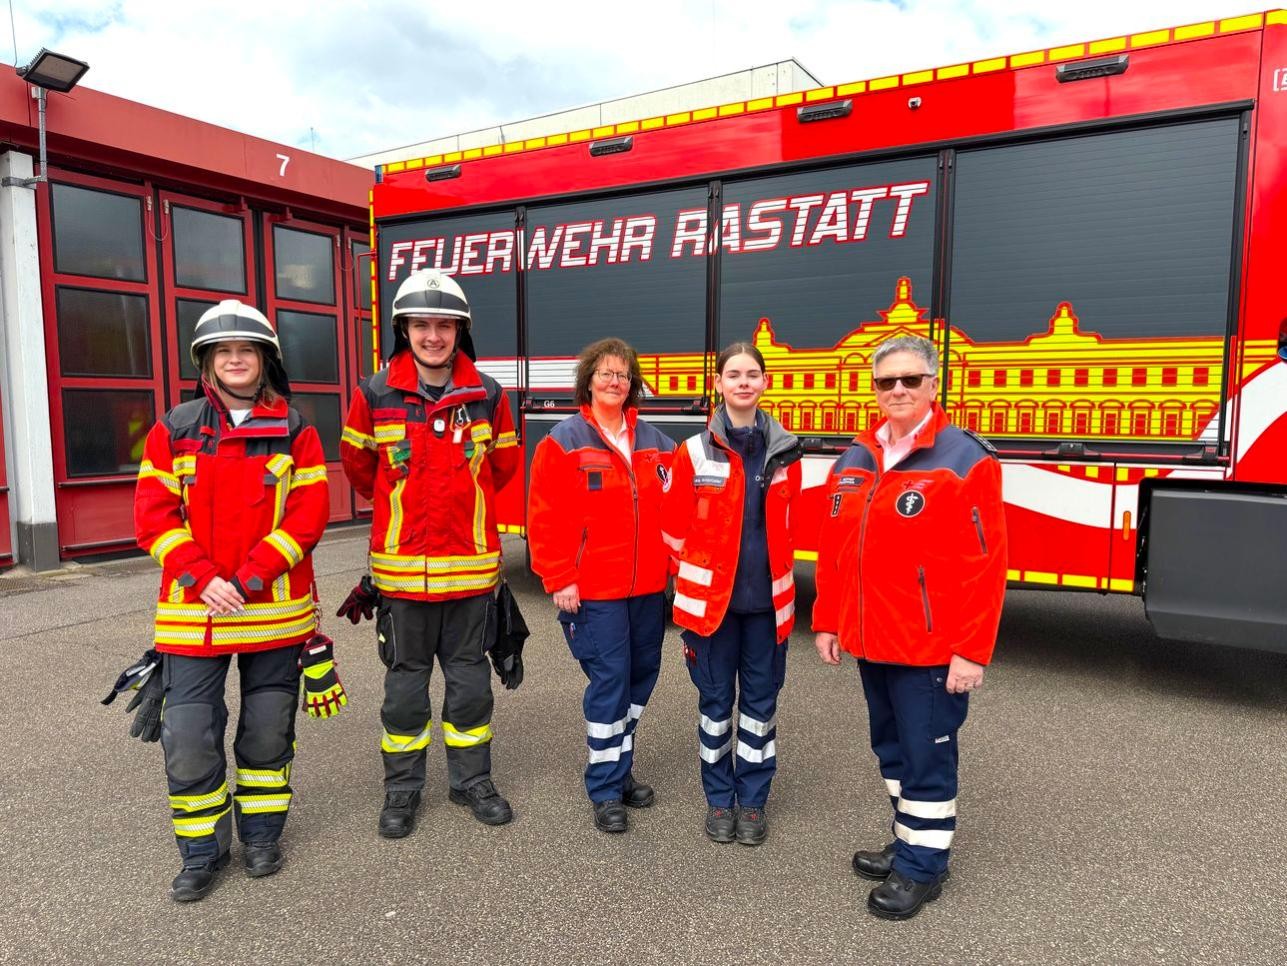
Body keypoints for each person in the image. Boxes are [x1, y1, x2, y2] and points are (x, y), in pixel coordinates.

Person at [133, 300, 334, 902]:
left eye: (246, 350)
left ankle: (262, 837)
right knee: (190, 733)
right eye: (224, 352)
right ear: (207, 363)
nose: (236, 359)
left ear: (264, 359)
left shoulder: (298, 429)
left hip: (271, 610)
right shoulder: (175, 428)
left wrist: (247, 579)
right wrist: (201, 577)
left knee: (269, 731)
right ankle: (201, 851)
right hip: (195, 614)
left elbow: (308, 518)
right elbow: (153, 517)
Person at [812, 334, 1006, 921]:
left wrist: (971, 651)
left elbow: (987, 563)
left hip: (930, 648)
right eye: (885, 382)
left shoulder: (964, 459)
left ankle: (923, 870)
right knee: (892, 750)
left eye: (909, 380)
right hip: (872, 640)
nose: (896, 390)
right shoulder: (855, 458)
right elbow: (834, 549)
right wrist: (827, 620)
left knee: (926, 757)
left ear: (933, 385)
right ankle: (912, 842)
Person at [339, 269, 520, 837]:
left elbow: (505, 468)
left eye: (444, 326)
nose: (433, 336)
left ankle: (471, 782)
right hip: (402, 580)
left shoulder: (489, 395)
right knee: (404, 694)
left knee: (470, 688)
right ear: (404, 329)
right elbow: (360, 471)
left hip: (468, 579)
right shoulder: (374, 394)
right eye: (422, 325)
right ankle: (402, 791)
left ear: (460, 331)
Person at [527, 338, 676, 834]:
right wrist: (560, 577)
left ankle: (620, 762)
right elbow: (546, 518)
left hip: (649, 587)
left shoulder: (658, 441)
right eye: (606, 373)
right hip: (595, 589)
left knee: (641, 676)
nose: (616, 382)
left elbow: (676, 512)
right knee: (610, 682)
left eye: (624, 375)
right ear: (588, 379)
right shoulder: (563, 441)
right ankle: (606, 786)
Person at [661, 343, 802, 845]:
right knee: (716, 705)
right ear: (719, 384)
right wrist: (694, 584)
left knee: (760, 707)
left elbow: (790, 529)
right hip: (712, 611)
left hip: (766, 609)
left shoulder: (787, 452)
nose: (743, 382)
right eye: (733, 374)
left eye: (752, 374)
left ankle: (754, 802)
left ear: (765, 383)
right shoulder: (693, 451)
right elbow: (672, 530)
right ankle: (719, 799)